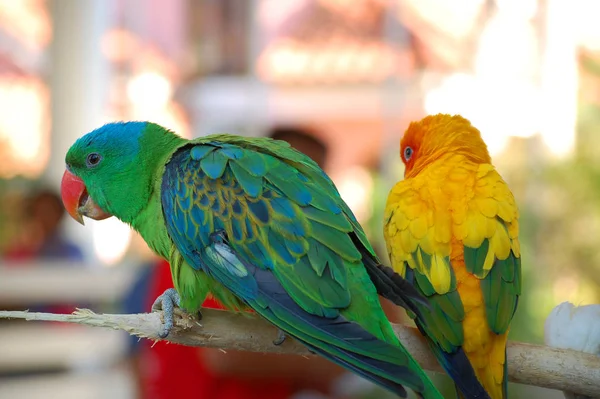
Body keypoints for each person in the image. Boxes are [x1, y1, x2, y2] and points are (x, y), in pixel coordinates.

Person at [131, 126, 348, 399]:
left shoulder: (287, 247)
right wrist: (334, 360)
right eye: (286, 176)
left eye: (311, 180)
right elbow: (224, 356)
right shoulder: (216, 232)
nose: (301, 192)